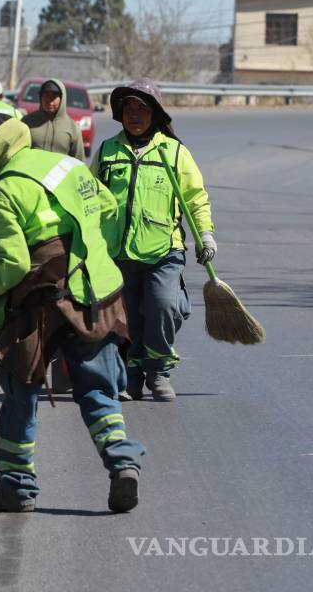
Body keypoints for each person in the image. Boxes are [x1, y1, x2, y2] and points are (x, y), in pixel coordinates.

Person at [0, 112, 145, 513]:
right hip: (95, 291)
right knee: (98, 388)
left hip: (42, 301)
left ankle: (16, 488)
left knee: (21, 390)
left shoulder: (4, 190)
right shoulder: (68, 165)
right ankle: (122, 461)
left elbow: (13, 268)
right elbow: (107, 208)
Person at [90, 78, 216, 402]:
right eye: (129, 108)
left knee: (163, 305)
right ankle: (130, 374)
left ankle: (158, 369)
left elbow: (195, 198)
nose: (135, 115)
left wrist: (205, 235)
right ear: (120, 113)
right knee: (124, 317)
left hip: (164, 250)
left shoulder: (174, 153)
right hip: (118, 253)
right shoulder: (107, 151)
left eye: (142, 109)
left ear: (155, 114)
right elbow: (89, 198)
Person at [21, 78, 84, 158]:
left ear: (62, 99)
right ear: (40, 97)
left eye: (54, 97)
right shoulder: (27, 123)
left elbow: (79, 162)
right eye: (46, 96)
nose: (49, 101)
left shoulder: (72, 128)